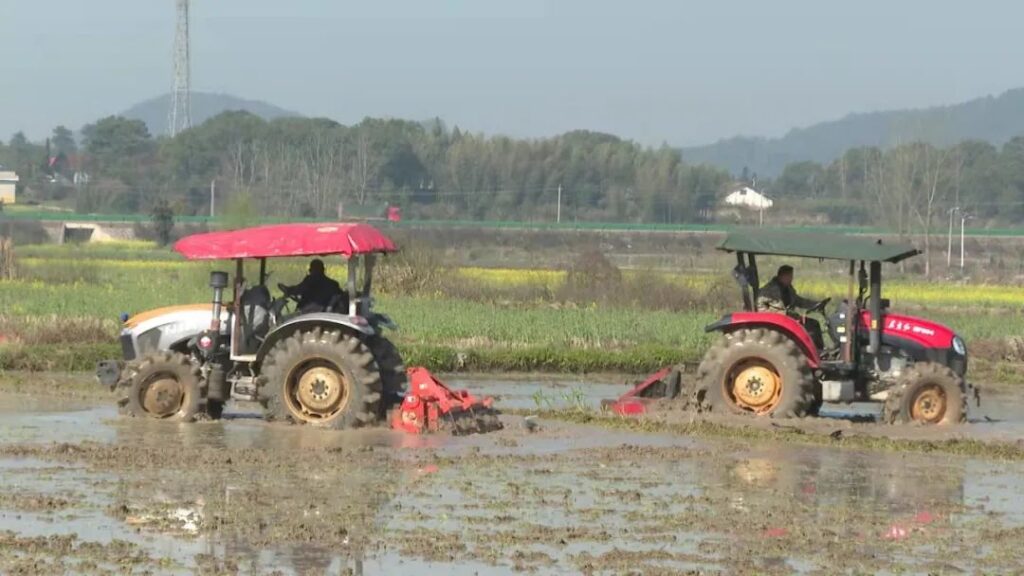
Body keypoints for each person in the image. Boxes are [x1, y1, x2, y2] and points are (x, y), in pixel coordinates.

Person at [758, 265, 828, 351]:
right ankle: (810, 351)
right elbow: (760, 304)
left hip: (789, 318)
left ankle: (819, 351)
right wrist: (777, 315)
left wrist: (815, 304)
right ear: (783, 276)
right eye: (790, 276)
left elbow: (798, 300)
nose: (791, 279)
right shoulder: (769, 289)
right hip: (779, 320)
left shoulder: (788, 288)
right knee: (809, 327)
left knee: (814, 323)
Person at [279, 259, 345, 312]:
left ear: (311, 270)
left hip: (308, 312)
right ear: (323, 270)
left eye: (311, 270)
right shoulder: (333, 284)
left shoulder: (310, 280)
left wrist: (288, 290)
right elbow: (340, 295)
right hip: (327, 314)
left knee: (290, 318)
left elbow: (299, 289)